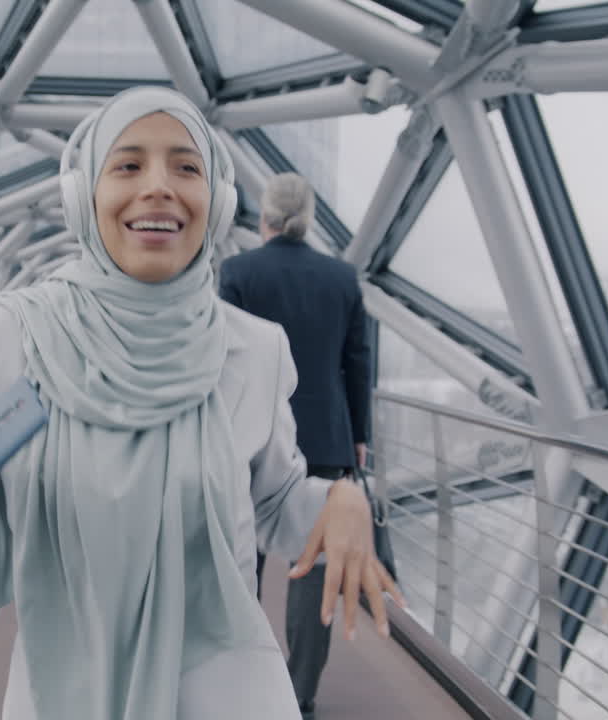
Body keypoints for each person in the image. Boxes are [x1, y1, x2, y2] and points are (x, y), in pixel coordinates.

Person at [0, 87, 400, 720]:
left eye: (186, 167)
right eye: (128, 165)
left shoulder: (255, 349)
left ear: (215, 200)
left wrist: (342, 501)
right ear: (85, 196)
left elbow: (272, 505)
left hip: (228, 689)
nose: (159, 186)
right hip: (63, 691)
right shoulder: (13, 335)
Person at [218, 172, 373, 719]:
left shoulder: (237, 273)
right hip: (326, 438)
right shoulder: (341, 278)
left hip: (252, 434)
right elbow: (357, 363)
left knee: (242, 561)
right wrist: (358, 437)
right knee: (313, 569)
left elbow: (222, 358)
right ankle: (300, 692)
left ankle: (239, 680)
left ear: (264, 216)